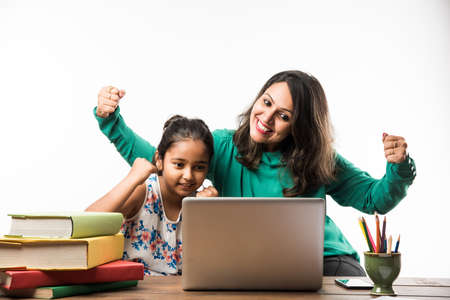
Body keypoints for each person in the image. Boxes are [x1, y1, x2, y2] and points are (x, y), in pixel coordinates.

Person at [93, 71, 416, 276]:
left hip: (325, 260)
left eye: (284, 116)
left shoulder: (318, 158)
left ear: (298, 126)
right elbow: (163, 159)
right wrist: (112, 121)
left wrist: (398, 167)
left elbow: (374, 198)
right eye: (266, 102)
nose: (266, 117)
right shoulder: (224, 145)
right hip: (253, 265)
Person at [86, 115, 217, 276]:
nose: (188, 175)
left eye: (198, 167)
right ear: (159, 160)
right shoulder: (144, 192)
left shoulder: (201, 202)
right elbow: (86, 225)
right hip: (134, 290)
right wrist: (132, 178)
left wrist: (209, 214)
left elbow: (212, 264)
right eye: (179, 165)